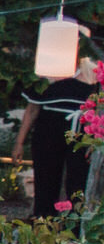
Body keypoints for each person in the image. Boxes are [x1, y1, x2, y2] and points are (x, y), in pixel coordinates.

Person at [15, 23, 96, 215]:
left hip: (80, 131)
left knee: (78, 183)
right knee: (46, 180)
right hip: (48, 128)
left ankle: (76, 226)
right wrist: (19, 142)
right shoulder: (45, 73)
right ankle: (43, 223)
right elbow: (32, 110)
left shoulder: (92, 75)